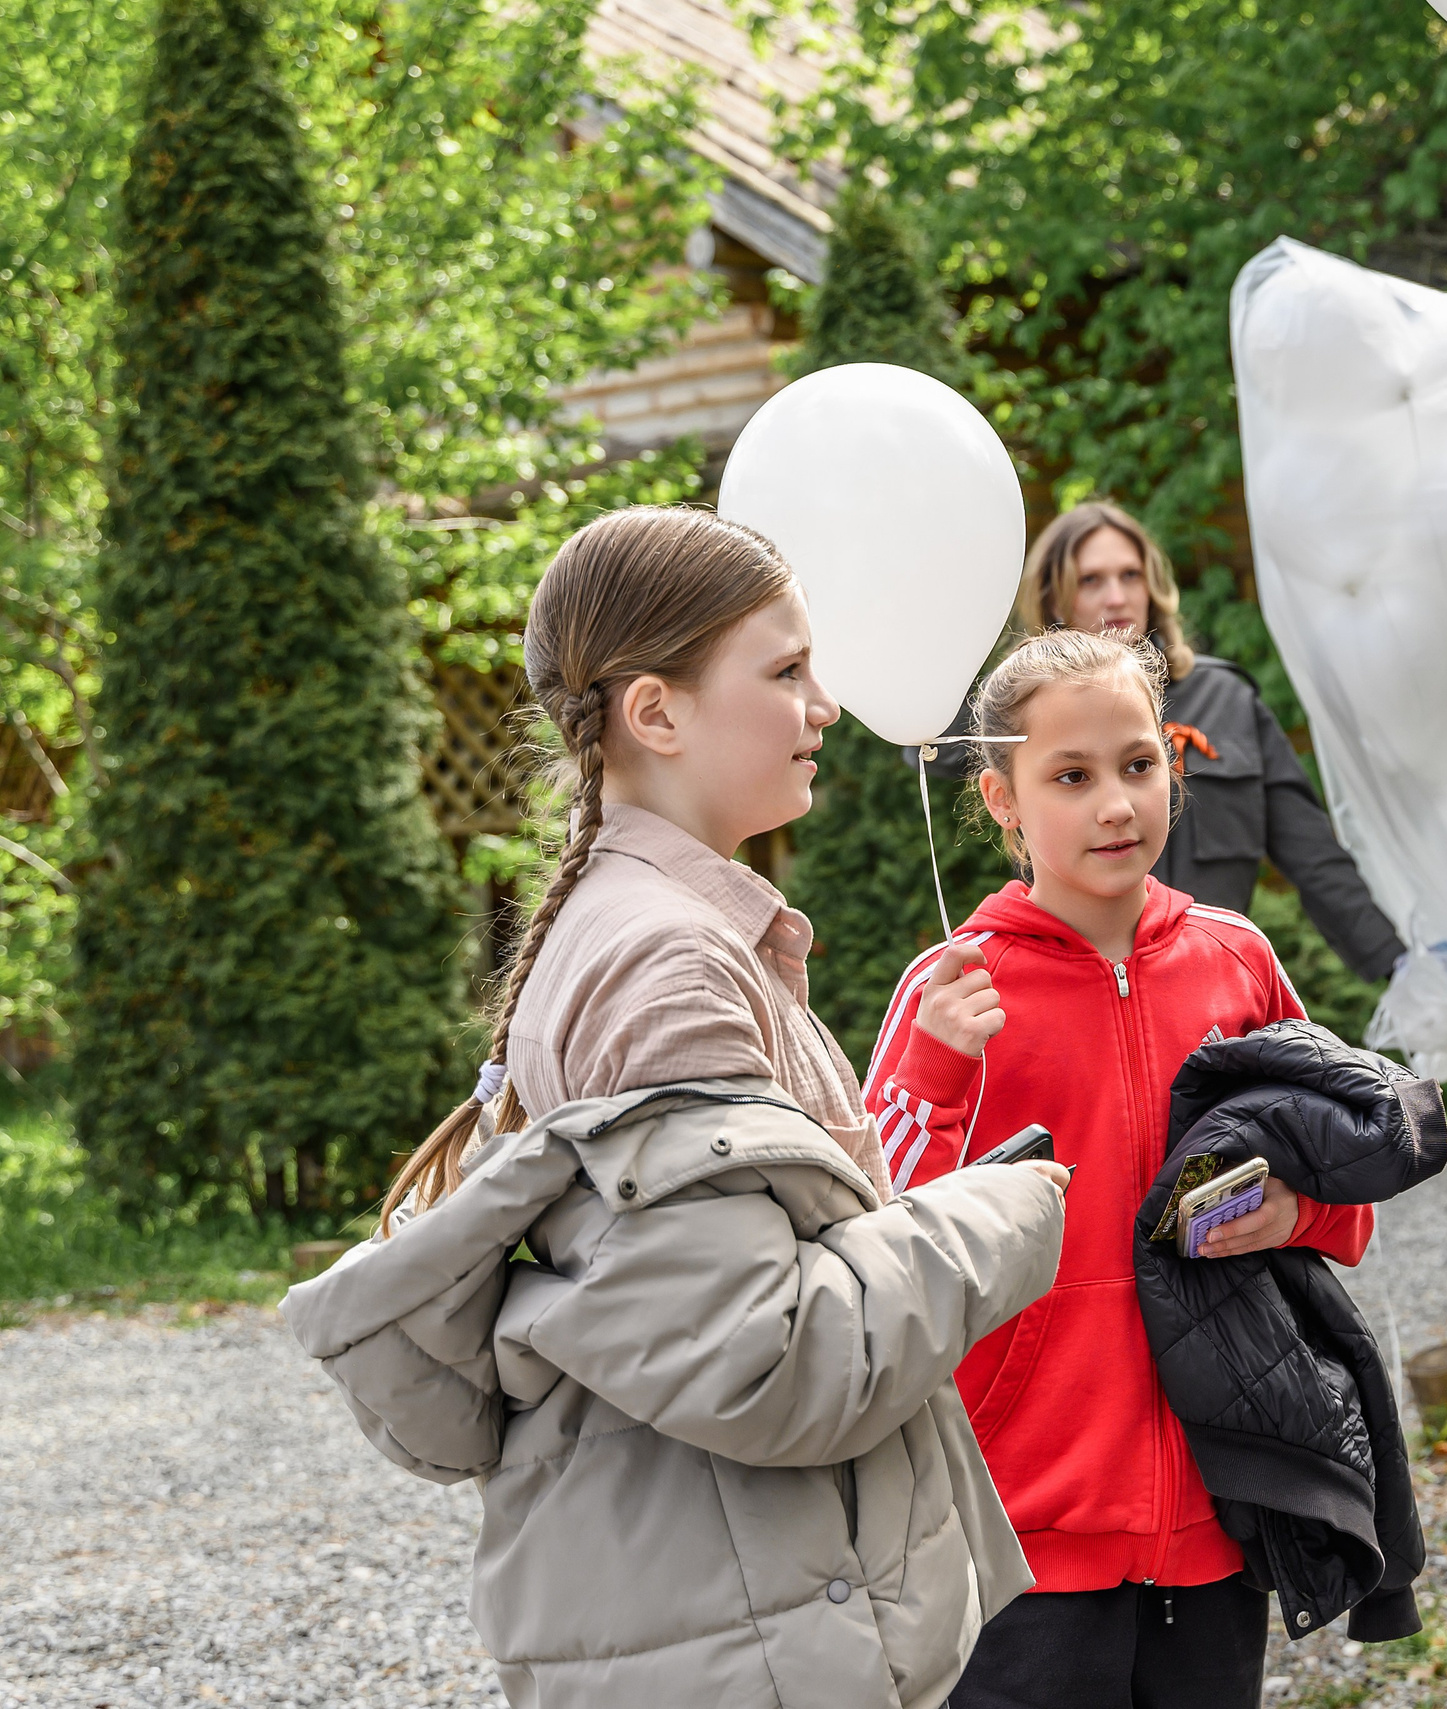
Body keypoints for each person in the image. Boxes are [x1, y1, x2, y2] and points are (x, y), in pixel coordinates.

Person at [282, 506, 1069, 1709]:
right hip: (742, 1639)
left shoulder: (661, 926)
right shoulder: (668, 962)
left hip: (729, 1609)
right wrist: (998, 1213)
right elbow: (761, 1356)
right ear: (656, 713)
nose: (825, 705)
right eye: (787, 670)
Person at [864, 626, 1377, 1709]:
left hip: (1218, 1498)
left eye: (1139, 763)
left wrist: (1295, 1210)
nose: (1116, 803)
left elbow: (1345, 1174)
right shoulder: (949, 990)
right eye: (1071, 775)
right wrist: (937, 1068)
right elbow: (874, 1239)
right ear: (1001, 798)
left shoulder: (1236, 959)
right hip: (1021, 1525)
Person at [1015, 501, 1406, 982]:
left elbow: (1311, 853)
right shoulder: (1024, 715)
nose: (1116, 597)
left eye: (1131, 575)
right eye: (1091, 580)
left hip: (1210, 987)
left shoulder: (1228, 700)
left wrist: (1398, 965)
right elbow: (938, 747)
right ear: (1055, 599)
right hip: (1074, 984)